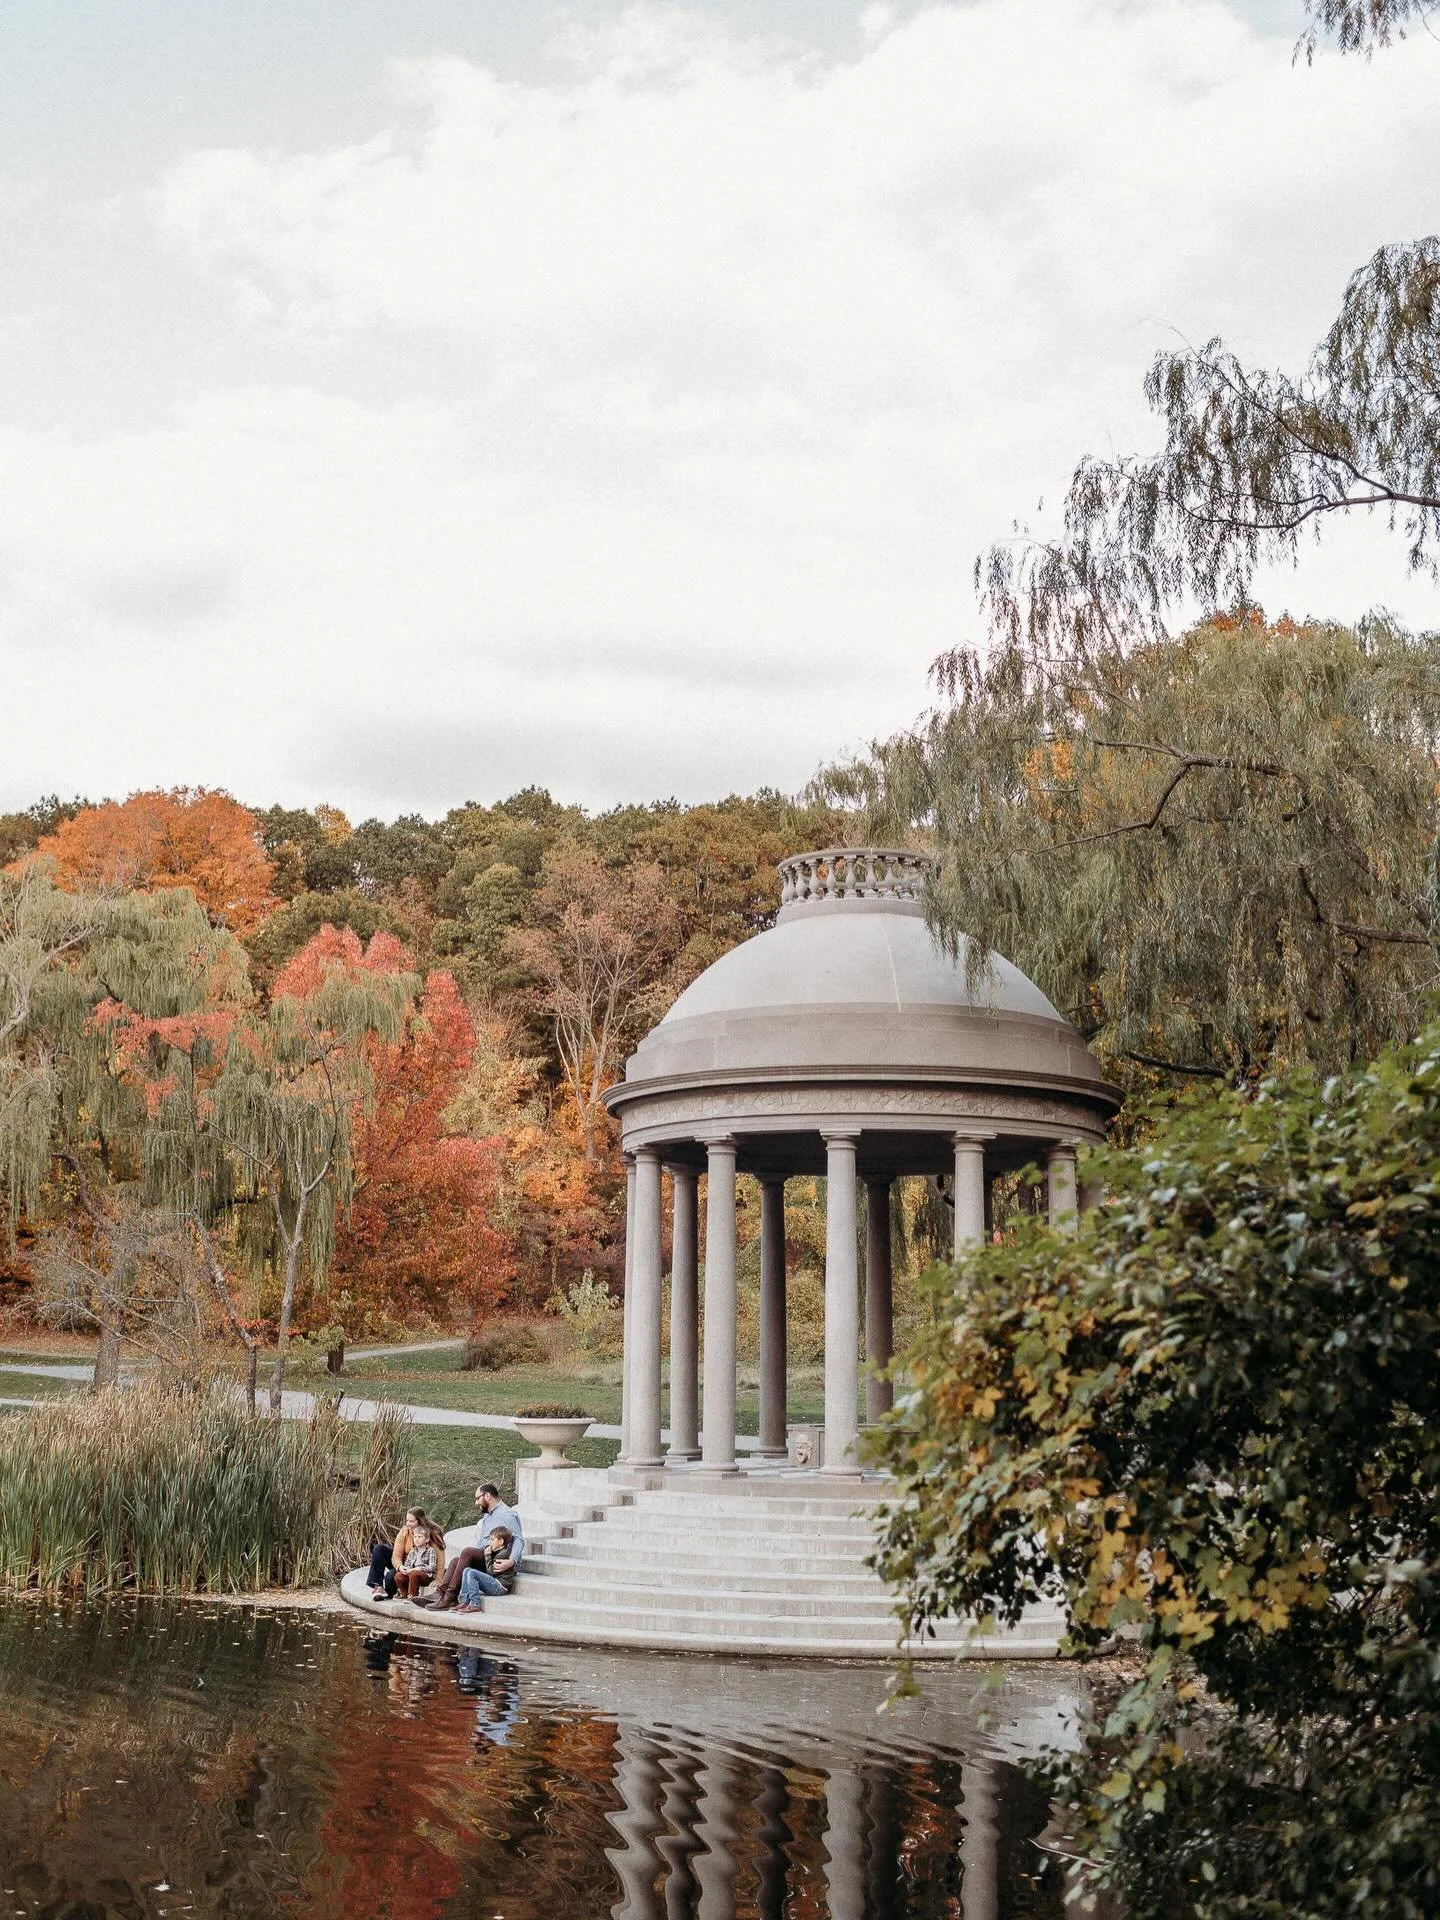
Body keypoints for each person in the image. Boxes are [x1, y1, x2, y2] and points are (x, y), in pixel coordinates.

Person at [416, 1483, 524, 1611]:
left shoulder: (507, 1514)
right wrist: (470, 1555)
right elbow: (481, 1542)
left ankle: (450, 1597)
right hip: (487, 1555)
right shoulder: (489, 1515)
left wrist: (511, 1561)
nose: (476, 1502)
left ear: (487, 1496)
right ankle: (441, 1592)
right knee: (457, 1560)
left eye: (478, 1498)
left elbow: (519, 1540)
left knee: (467, 1552)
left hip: (498, 1561)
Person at [366, 1508, 429, 1600]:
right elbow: (396, 1555)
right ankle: (378, 1586)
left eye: (411, 1521)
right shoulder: (404, 1531)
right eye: (407, 1520)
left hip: (414, 1566)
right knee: (379, 1549)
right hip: (402, 1563)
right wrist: (399, 1566)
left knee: (390, 1577)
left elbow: (438, 1555)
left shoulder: (426, 1533)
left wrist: (438, 1577)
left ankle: (390, 1591)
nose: (408, 1524)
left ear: (419, 1521)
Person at [454, 1525, 517, 1612]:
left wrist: (487, 1556)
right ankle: (464, 1601)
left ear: (501, 1541)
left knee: (472, 1573)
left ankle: (475, 1604)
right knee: (466, 1569)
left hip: (500, 1587)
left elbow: (490, 1573)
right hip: (494, 1583)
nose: (490, 1542)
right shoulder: (497, 1551)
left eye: (492, 1540)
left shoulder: (503, 1554)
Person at [392, 1519, 446, 1601]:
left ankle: (412, 1595)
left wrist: (420, 1568)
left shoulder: (431, 1550)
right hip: (412, 1572)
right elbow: (408, 1563)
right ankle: (404, 1593)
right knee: (398, 1575)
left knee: (414, 1574)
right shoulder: (413, 1551)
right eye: (415, 1537)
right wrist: (406, 1569)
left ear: (427, 1539)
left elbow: (432, 1567)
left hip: (426, 1576)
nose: (417, 1539)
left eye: (420, 1537)